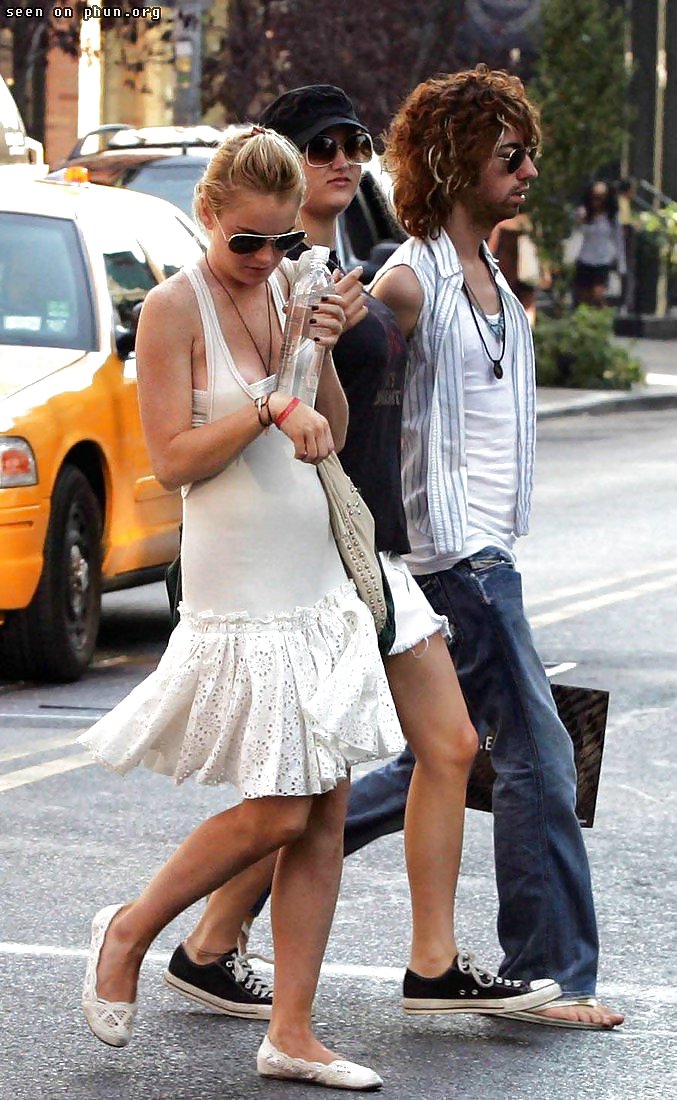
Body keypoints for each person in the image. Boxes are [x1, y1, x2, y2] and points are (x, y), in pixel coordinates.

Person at [161, 84, 561, 1025]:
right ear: (274, 165)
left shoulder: (342, 269)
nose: (343, 158)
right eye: (320, 145)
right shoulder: (261, 282)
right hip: (310, 547)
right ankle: (174, 937)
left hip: (369, 539)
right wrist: (303, 357)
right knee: (303, 793)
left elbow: (348, 417)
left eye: (354, 141)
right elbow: (242, 421)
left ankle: (417, 964)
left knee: (433, 750)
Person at [77, 124, 404, 1090]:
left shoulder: (293, 287)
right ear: (208, 215)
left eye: (282, 240)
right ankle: (131, 927)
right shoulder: (173, 307)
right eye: (246, 241)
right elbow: (171, 460)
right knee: (279, 807)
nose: (265, 259)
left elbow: (330, 430)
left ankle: (292, 1032)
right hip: (240, 575)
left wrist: (321, 352)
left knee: (325, 803)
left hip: (314, 570)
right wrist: (265, 405)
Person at [343, 66, 624, 1031]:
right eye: (510, 155)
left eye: (528, 152)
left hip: (488, 551)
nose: (528, 170)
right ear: (455, 162)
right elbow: (352, 369)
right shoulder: (409, 279)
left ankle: (234, 894)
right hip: (452, 558)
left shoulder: (491, 274)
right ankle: (548, 974)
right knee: (539, 756)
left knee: (439, 761)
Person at [573, 180, 626, 308]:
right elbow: (575, 235)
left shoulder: (611, 217)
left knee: (598, 294)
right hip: (585, 258)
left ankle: (602, 315)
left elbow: (618, 240)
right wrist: (580, 220)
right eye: (595, 196)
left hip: (603, 259)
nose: (597, 201)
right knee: (583, 296)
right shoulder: (583, 213)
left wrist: (621, 263)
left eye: (601, 197)